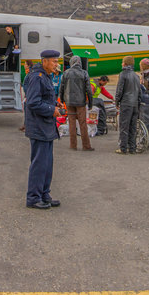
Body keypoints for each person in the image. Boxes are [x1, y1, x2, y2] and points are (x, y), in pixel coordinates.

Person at [23, 49, 60, 209]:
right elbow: (33, 102)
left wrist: (54, 104)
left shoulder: (44, 76)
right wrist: (52, 110)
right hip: (39, 127)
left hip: (46, 127)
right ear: (44, 61)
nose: (56, 64)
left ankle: (44, 194)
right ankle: (33, 197)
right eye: (54, 61)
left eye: (57, 61)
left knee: (47, 163)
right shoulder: (36, 77)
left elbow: (43, 99)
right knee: (39, 163)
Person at [59, 55, 94, 151]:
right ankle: (86, 146)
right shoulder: (84, 73)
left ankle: (73, 145)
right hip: (80, 102)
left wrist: (61, 100)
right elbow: (89, 90)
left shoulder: (66, 73)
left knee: (71, 123)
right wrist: (90, 103)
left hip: (69, 102)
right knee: (82, 124)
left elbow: (61, 88)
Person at [113, 56, 141, 154]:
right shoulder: (136, 76)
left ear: (125, 63)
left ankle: (123, 147)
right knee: (133, 127)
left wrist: (117, 101)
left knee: (124, 126)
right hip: (135, 104)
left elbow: (119, 90)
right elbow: (139, 92)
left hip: (126, 103)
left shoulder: (123, 74)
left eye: (122, 62)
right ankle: (132, 147)